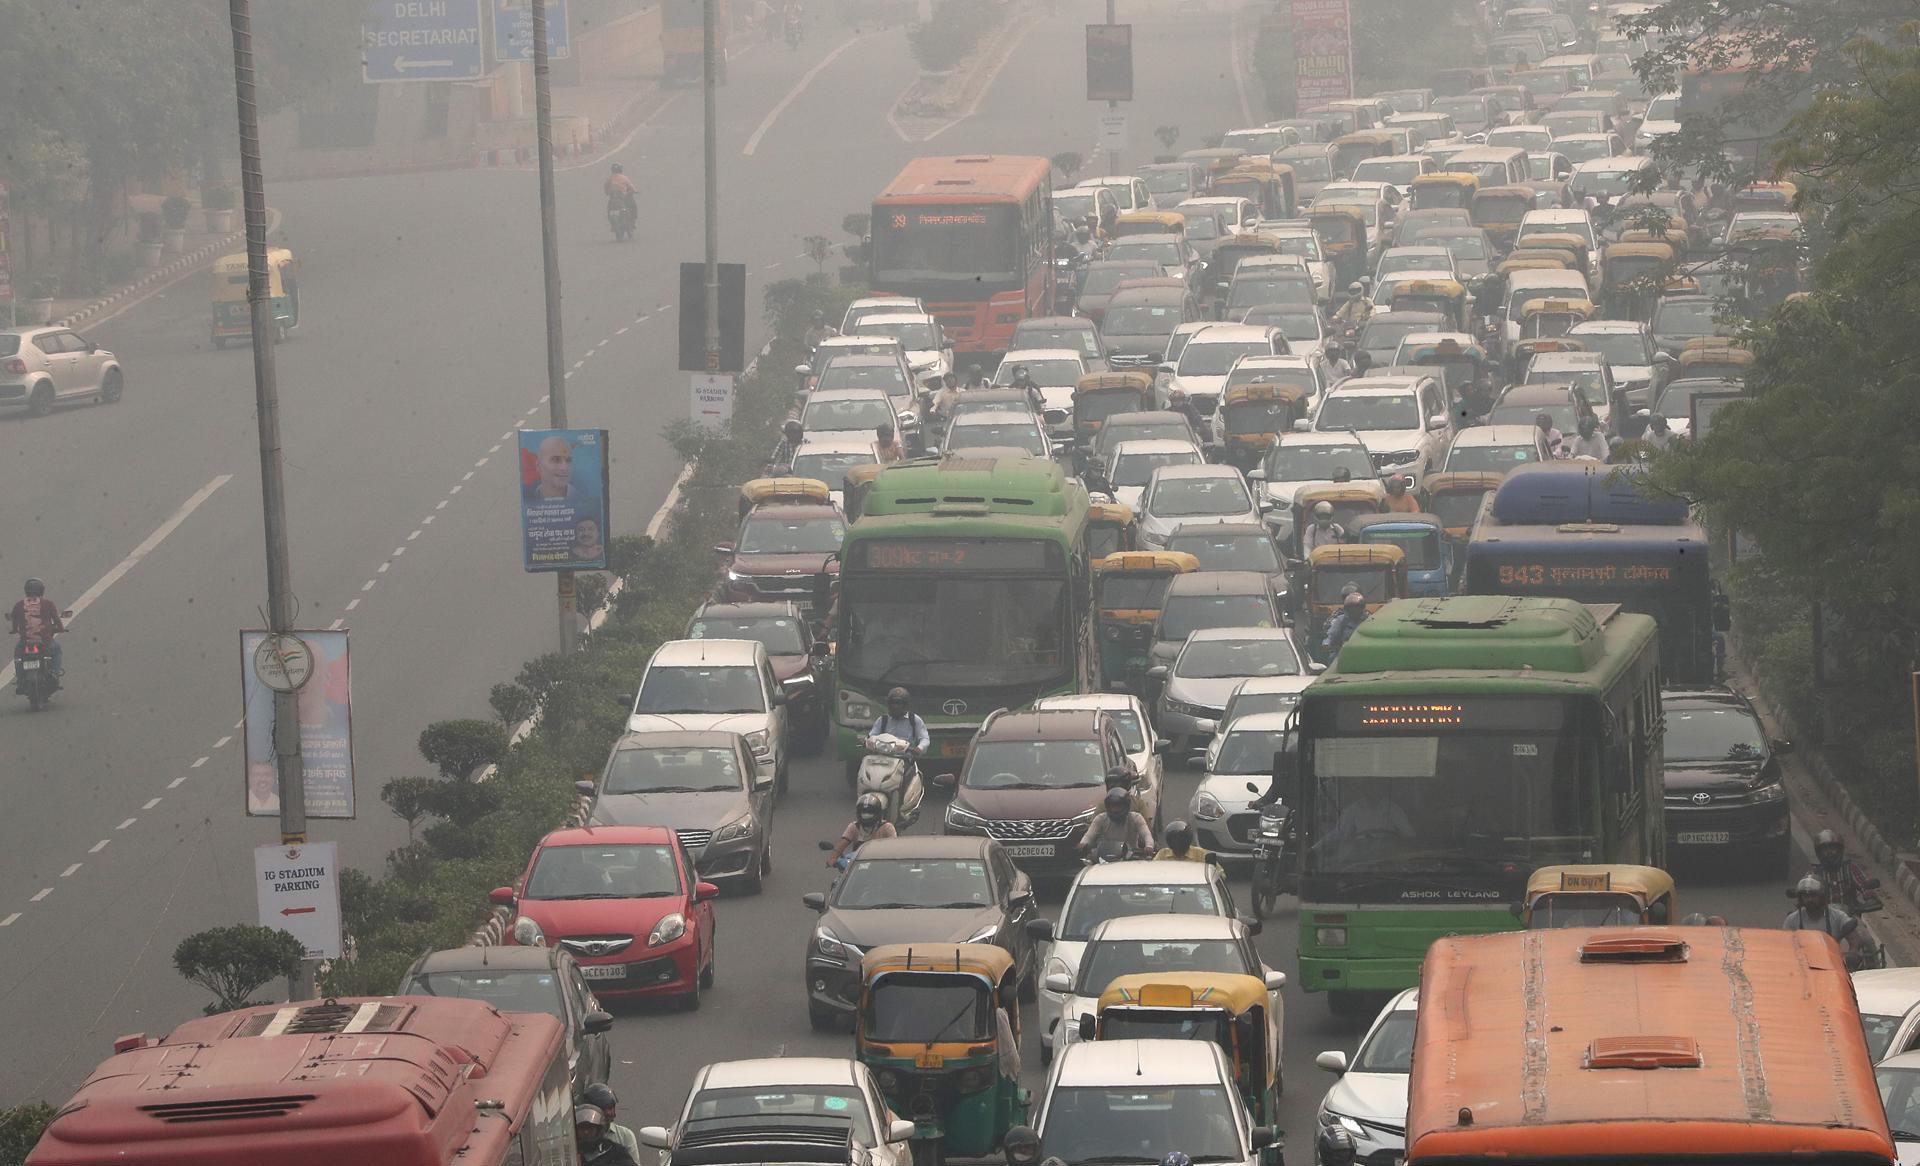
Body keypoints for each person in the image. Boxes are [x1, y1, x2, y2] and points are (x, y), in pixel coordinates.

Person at [1782, 875, 1871, 967]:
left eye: (1814, 895)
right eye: (1806, 896)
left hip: (1833, 966)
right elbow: (1784, 946)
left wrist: (1853, 952)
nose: (1810, 899)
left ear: (1822, 896)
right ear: (1801, 898)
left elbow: (1854, 939)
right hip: (1803, 968)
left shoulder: (1837, 916)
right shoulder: (1792, 920)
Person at [1322, 779, 1414, 849]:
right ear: (1364, 789)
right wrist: (1316, 848)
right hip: (1361, 856)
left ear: (1382, 788)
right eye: (1370, 786)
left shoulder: (1393, 809)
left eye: (1377, 786)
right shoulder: (1354, 809)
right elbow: (1340, 833)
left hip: (1387, 855)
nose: (1373, 789)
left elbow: (1409, 834)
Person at [1811, 829, 1881, 915]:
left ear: (1840, 850)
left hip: (1850, 917)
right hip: (1822, 919)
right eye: (1825, 850)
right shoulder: (1814, 873)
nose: (1829, 853)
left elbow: (1863, 885)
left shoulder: (1850, 868)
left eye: (1832, 849)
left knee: (1860, 928)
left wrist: (1870, 898)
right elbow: (1806, 891)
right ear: (1819, 853)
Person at [9, 577, 63, 679]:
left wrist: (14, 630)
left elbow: (14, 621)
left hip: (25, 641)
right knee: (57, 649)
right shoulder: (48, 603)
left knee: (18, 655)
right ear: (41, 590)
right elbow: (56, 620)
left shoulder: (19, 605)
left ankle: (20, 677)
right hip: (45, 641)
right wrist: (61, 629)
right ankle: (55, 673)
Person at [1080, 787, 1153, 859]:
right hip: (1104, 858)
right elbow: (1089, 835)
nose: (1115, 810)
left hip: (1130, 858)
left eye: (1118, 806)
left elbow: (1146, 835)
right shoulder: (1100, 819)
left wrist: (1149, 846)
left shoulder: (1136, 818)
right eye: (1112, 806)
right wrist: (1083, 844)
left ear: (1126, 806)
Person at [827, 792, 896, 867]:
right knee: (840, 879)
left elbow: (893, 847)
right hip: (858, 864)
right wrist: (833, 857)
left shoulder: (887, 827)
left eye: (869, 812)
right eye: (863, 812)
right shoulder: (854, 827)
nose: (866, 815)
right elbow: (843, 843)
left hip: (880, 864)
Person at [581, 1084, 640, 1163]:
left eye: (610, 1107)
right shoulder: (576, 1136)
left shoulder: (625, 1136)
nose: (608, 1112)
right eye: (603, 1108)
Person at [869, 687, 930, 754]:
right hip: (884, 757)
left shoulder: (914, 720)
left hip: (906, 758)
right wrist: (870, 741)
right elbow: (872, 736)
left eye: (898, 703)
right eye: (893, 703)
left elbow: (925, 739)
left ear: (905, 705)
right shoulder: (883, 720)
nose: (895, 706)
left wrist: (919, 748)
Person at [576, 1104, 640, 1166]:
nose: (586, 1132)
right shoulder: (570, 1153)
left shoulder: (615, 1151)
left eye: (590, 1128)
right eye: (582, 1128)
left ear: (598, 1129)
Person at [1322, 591, 1369, 656]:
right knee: (1333, 657)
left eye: (1357, 608)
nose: (1354, 611)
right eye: (1351, 608)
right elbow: (1332, 634)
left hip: (1365, 652)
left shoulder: (1369, 619)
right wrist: (1327, 644)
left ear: (1362, 608)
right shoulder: (1341, 620)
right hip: (1344, 653)